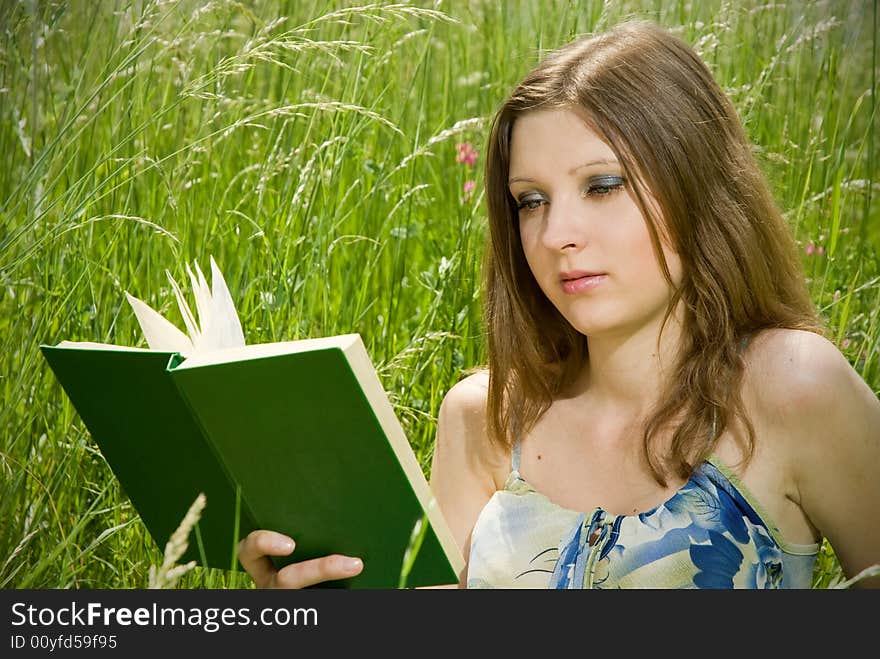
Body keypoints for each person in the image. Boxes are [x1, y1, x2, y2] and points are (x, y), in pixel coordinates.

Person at [237, 20, 880, 589]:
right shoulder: (483, 418)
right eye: (531, 201)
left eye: (602, 186)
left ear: (696, 186)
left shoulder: (795, 388)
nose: (555, 235)